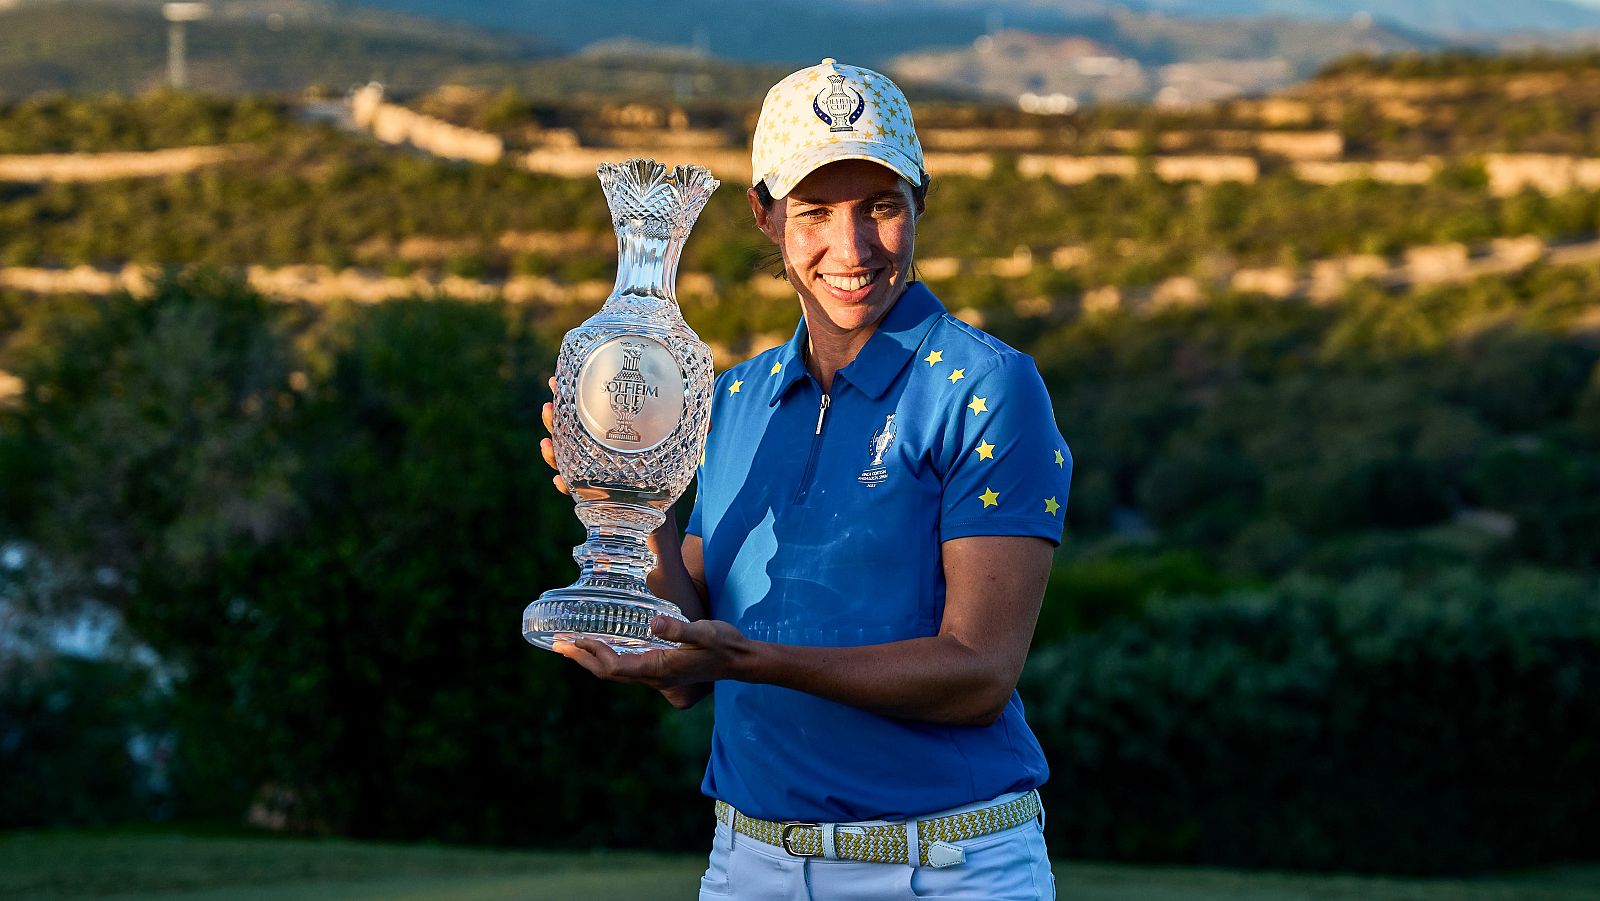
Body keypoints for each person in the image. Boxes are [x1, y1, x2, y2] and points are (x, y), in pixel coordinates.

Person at [540, 58, 1072, 901]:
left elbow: (979, 674)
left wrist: (755, 660)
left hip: (944, 868)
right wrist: (632, 496)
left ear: (921, 201)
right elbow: (687, 669)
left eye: (881, 208)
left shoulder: (986, 387)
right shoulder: (735, 396)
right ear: (765, 215)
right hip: (750, 862)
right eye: (815, 212)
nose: (851, 248)